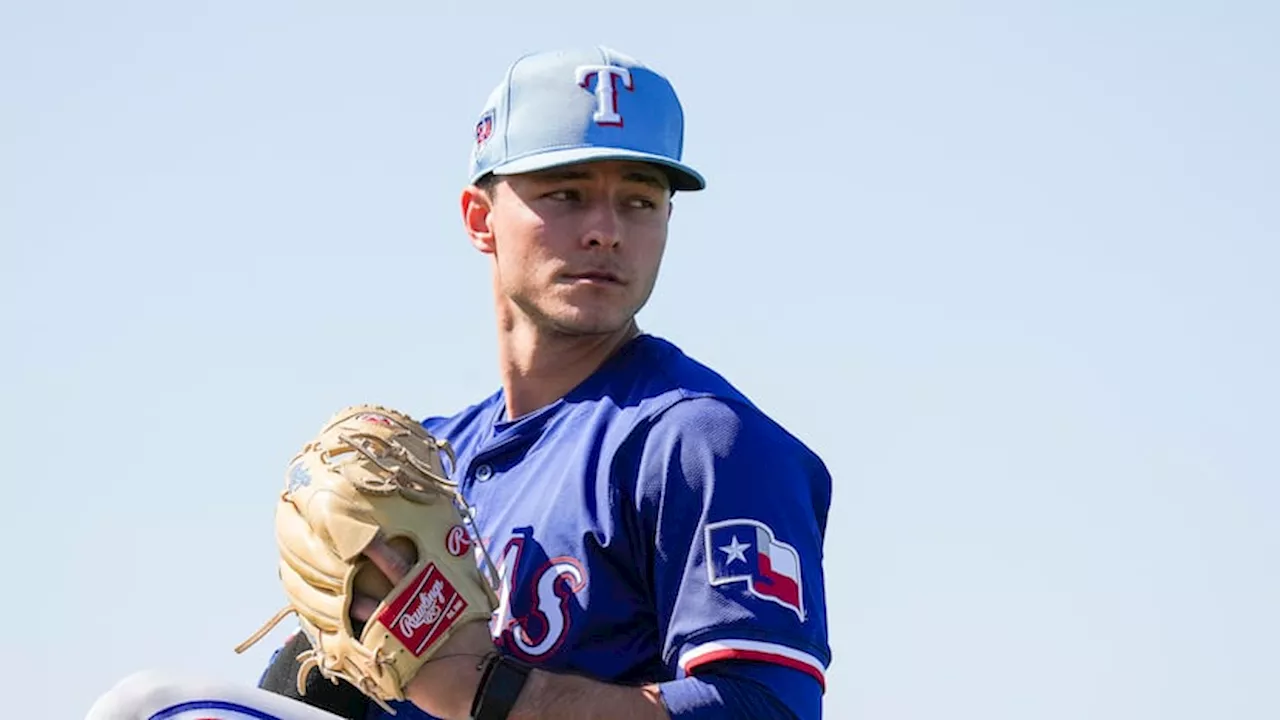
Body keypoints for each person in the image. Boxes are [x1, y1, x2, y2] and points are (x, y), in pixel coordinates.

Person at [87, 45, 832, 720]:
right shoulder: (425, 461)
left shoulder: (699, 440)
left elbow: (766, 709)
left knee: (149, 710)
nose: (606, 229)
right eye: (566, 194)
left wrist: (490, 689)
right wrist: (326, 668)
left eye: (639, 200)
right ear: (480, 218)